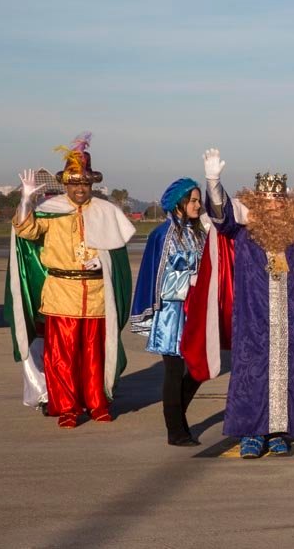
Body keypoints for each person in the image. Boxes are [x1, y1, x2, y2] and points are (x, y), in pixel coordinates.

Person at [199, 147, 294, 459]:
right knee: (250, 372)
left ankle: (279, 431)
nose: (274, 206)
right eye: (267, 200)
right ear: (256, 203)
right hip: (252, 317)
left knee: (286, 373)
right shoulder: (243, 232)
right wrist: (213, 181)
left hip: (287, 317)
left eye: (279, 200)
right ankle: (251, 433)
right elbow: (221, 216)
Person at [6, 133, 135, 428]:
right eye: (75, 183)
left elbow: (116, 253)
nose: (80, 189)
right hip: (61, 292)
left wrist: (101, 259)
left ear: (92, 184)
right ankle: (66, 406)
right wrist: (26, 200)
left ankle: (96, 402)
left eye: (85, 183)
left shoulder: (105, 211)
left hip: (97, 294)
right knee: (61, 354)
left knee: (94, 353)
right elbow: (26, 231)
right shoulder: (51, 211)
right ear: (65, 183)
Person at [130, 178, 207, 446]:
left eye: (199, 200)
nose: (199, 205)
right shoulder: (163, 235)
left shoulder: (198, 233)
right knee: (175, 372)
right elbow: (160, 280)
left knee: (200, 370)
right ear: (179, 203)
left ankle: (177, 418)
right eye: (194, 200)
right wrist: (191, 281)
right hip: (172, 314)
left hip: (194, 312)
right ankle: (175, 430)